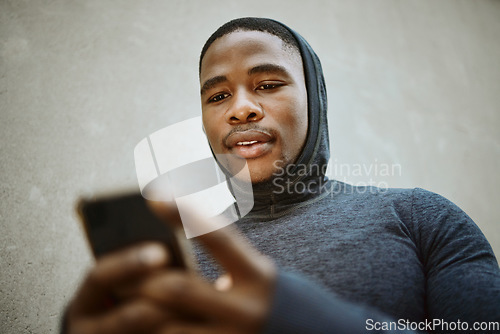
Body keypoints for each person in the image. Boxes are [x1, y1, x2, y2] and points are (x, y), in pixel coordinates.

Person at [63, 17, 500, 333]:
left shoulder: (422, 218)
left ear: (316, 99)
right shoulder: (170, 259)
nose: (239, 108)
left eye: (268, 85)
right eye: (217, 95)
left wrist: (295, 315)